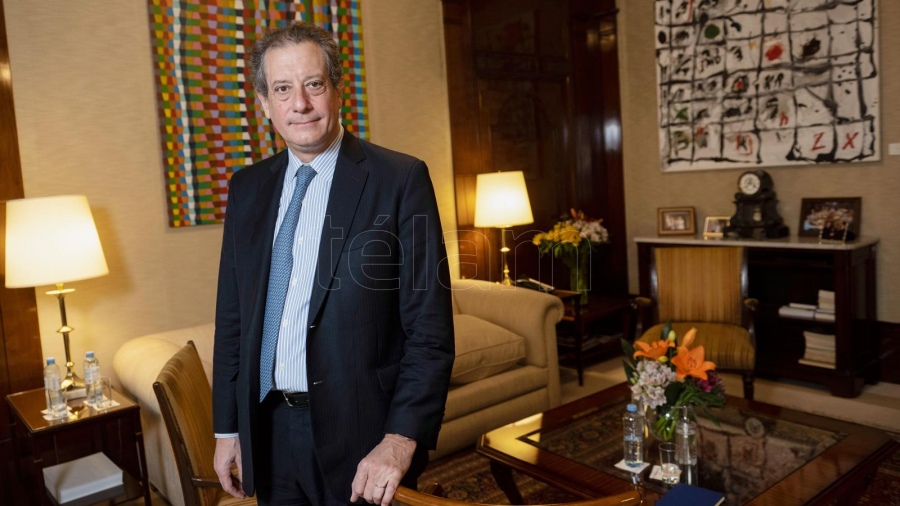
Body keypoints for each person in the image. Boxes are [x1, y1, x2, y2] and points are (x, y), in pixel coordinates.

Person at [211, 22, 455, 506]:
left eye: (313, 84)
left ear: (338, 90)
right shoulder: (247, 188)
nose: (299, 103)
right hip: (268, 433)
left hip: (364, 438)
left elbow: (430, 330)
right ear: (264, 104)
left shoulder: (400, 179)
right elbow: (233, 317)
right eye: (282, 89)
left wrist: (399, 439)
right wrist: (227, 428)